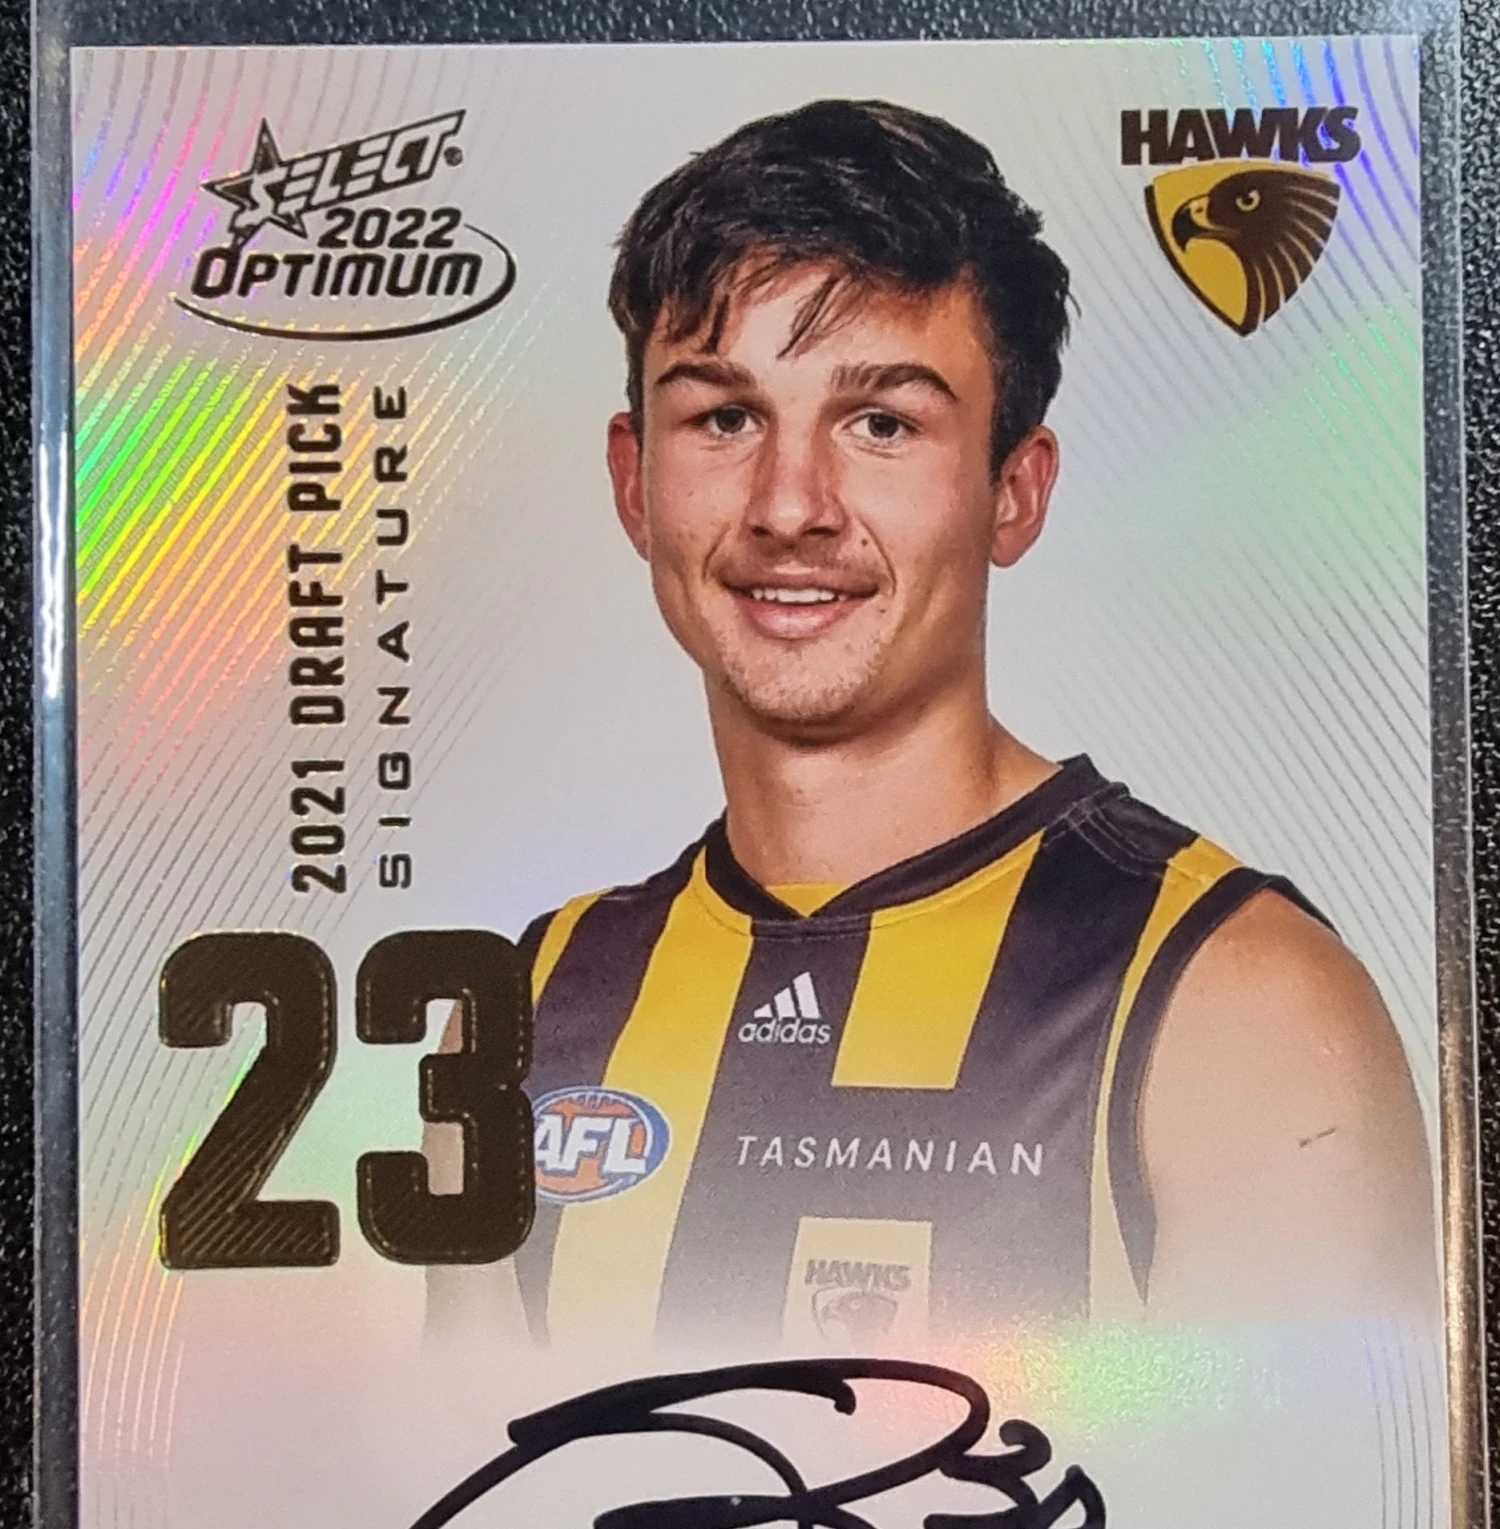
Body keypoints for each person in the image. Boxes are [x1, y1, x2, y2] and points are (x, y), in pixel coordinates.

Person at [429, 98, 1434, 1356]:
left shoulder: (1240, 1006)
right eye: (725, 417)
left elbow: (1325, 1490)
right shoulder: (524, 1011)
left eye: (883, 424)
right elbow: (463, 1480)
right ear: (636, 481)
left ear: (1014, 492)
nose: (790, 506)